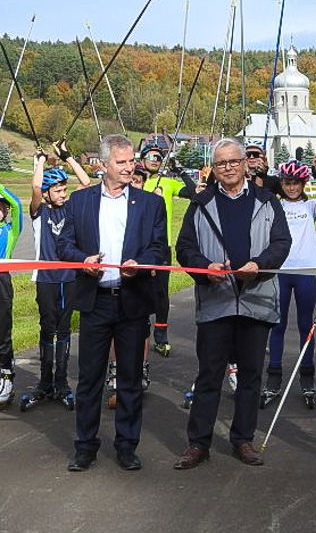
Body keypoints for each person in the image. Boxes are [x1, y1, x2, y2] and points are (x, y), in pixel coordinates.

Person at [173, 138, 290, 470]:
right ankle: (198, 443)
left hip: (256, 299)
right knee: (210, 375)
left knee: (251, 376)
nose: (228, 168)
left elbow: (282, 242)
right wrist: (203, 268)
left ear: (245, 163)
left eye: (233, 162)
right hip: (217, 301)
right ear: (214, 167)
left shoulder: (268, 201)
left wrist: (261, 263)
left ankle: (243, 440)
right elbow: (184, 248)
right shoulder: (201, 203)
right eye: (221, 163)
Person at [58, 134, 168, 472]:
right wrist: (83, 260)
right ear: (103, 165)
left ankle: (126, 446)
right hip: (95, 302)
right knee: (90, 379)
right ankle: (85, 447)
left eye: (130, 160)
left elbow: (160, 249)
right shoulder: (80, 201)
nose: (129, 167)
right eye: (121, 162)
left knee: (130, 379)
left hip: (131, 301)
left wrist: (142, 263)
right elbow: (64, 246)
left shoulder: (150, 204)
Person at [25, 142, 92, 411]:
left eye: (65, 189)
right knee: (46, 329)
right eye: (58, 189)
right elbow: (35, 189)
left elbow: (86, 184)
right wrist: (40, 161)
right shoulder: (39, 211)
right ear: (48, 193)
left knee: (64, 330)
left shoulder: (71, 207)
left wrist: (68, 157)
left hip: (69, 278)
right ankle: (44, 383)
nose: (63, 193)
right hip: (45, 279)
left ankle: (62, 383)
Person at [261, 156, 316, 409]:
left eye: (296, 183)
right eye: (288, 183)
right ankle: (274, 376)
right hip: (281, 271)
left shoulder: (309, 206)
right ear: (282, 184)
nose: (292, 187)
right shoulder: (275, 206)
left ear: (303, 184)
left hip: (305, 272)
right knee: (277, 326)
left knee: (305, 326)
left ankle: (307, 376)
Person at [140, 141, 197, 357]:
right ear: (143, 159)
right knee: (140, 292)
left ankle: (161, 337)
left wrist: (179, 171)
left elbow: (193, 193)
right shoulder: (138, 181)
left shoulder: (167, 182)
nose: (155, 160)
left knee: (161, 293)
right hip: (139, 247)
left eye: (158, 157)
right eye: (151, 156)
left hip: (163, 246)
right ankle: (140, 330)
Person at [0, 179, 23, 410]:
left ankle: (5, 373)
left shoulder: (10, 230)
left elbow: (17, 204)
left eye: (0, 206)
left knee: (2, 329)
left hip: (2, 281)